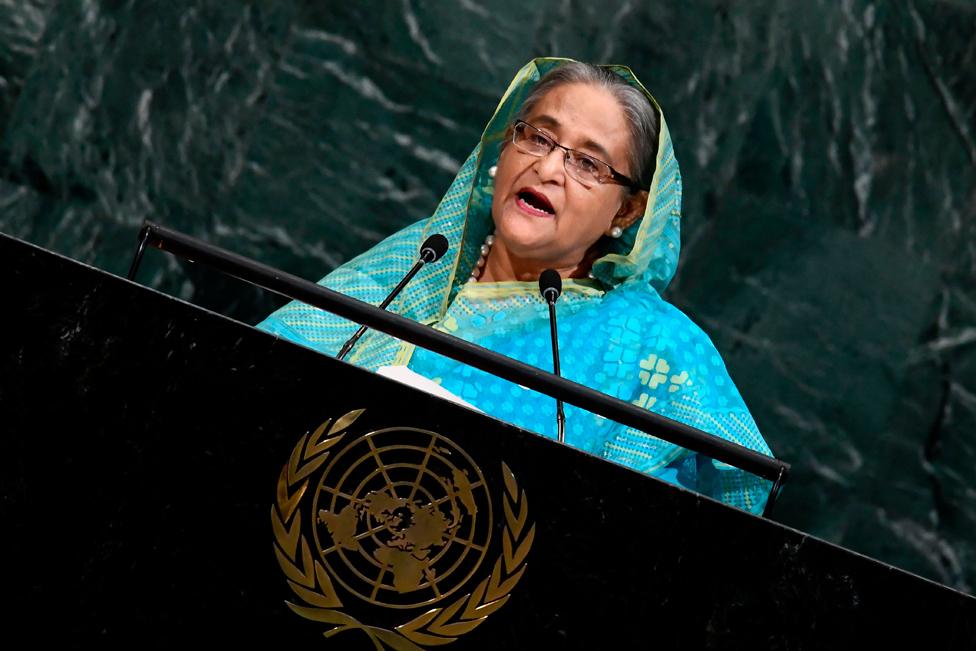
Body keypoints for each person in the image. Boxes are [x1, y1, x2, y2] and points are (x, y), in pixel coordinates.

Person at [256, 58, 775, 514]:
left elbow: (725, 507)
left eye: (588, 163)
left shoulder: (650, 346)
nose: (547, 167)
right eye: (537, 136)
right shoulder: (412, 267)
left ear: (628, 210)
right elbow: (253, 383)